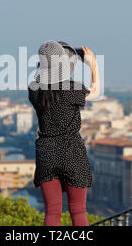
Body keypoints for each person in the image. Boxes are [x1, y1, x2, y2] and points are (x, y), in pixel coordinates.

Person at [27, 40, 100, 226]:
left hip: (46, 152)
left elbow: (41, 78)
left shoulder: (34, 90)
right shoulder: (71, 88)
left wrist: (47, 63)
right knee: (78, 210)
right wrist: (93, 65)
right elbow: (96, 91)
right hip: (71, 150)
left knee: (52, 212)